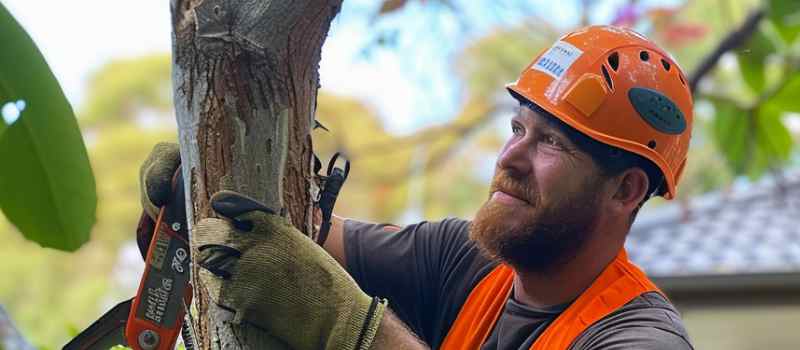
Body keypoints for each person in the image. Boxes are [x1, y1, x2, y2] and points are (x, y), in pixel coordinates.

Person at [139, 25, 695, 349]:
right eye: (518, 128)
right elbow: (290, 237)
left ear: (625, 190)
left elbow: (322, 298)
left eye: (551, 143)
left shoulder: (639, 339)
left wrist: (355, 331)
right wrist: (190, 199)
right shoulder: (466, 260)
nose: (510, 157)